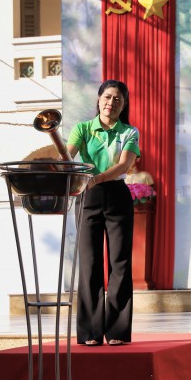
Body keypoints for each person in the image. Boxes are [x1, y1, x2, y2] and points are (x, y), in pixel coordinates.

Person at [66, 79, 140, 346]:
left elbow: (124, 165)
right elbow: (67, 155)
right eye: (107, 97)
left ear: (124, 104)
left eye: (118, 99)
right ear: (98, 100)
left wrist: (96, 178)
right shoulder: (83, 129)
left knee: (120, 262)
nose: (111, 103)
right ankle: (90, 332)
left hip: (117, 195)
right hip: (87, 197)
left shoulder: (129, 132)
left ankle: (117, 331)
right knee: (89, 263)